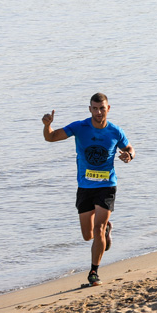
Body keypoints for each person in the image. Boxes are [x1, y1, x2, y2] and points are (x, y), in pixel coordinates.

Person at [41, 93, 135, 287]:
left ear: (108, 109)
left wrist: (129, 156)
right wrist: (46, 125)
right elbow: (50, 138)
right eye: (95, 108)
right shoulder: (79, 127)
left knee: (98, 226)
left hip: (107, 185)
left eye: (102, 108)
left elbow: (130, 148)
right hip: (85, 187)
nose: (99, 112)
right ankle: (107, 231)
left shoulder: (115, 131)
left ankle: (94, 272)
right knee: (88, 235)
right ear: (89, 109)